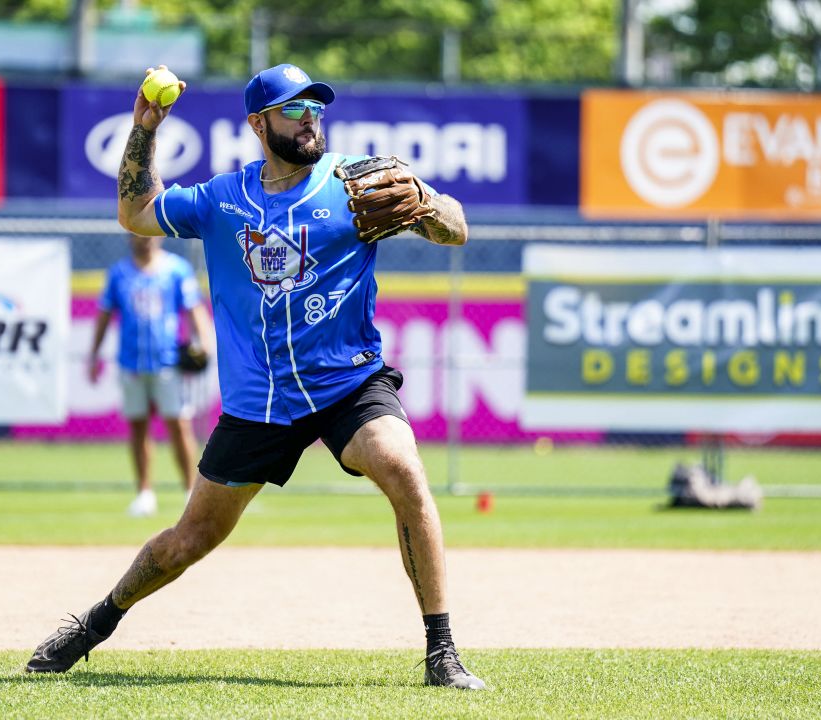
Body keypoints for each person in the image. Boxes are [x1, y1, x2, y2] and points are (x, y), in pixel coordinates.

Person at [28, 63, 485, 690]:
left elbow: (457, 230)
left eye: (314, 108)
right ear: (258, 124)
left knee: (403, 468)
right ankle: (95, 624)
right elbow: (136, 213)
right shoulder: (222, 199)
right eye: (293, 110)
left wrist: (427, 203)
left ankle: (442, 652)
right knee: (190, 539)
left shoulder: (355, 182)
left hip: (347, 384)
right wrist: (143, 131)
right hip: (259, 403)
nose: (309, 120)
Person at [90, 233, 214, 517]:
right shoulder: (119, 273)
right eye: (138, 233)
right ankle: (144, 492)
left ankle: (189, 492)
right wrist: (94, 354)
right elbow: (105, 314)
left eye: (149, 234)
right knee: (138, 427)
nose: (144, 239)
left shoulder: (176, 269)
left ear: (159, 236)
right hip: (131, 362)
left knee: (179, 425)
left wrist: (204, 342)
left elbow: (194, 309)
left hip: (167, 362)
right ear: (129, 236)